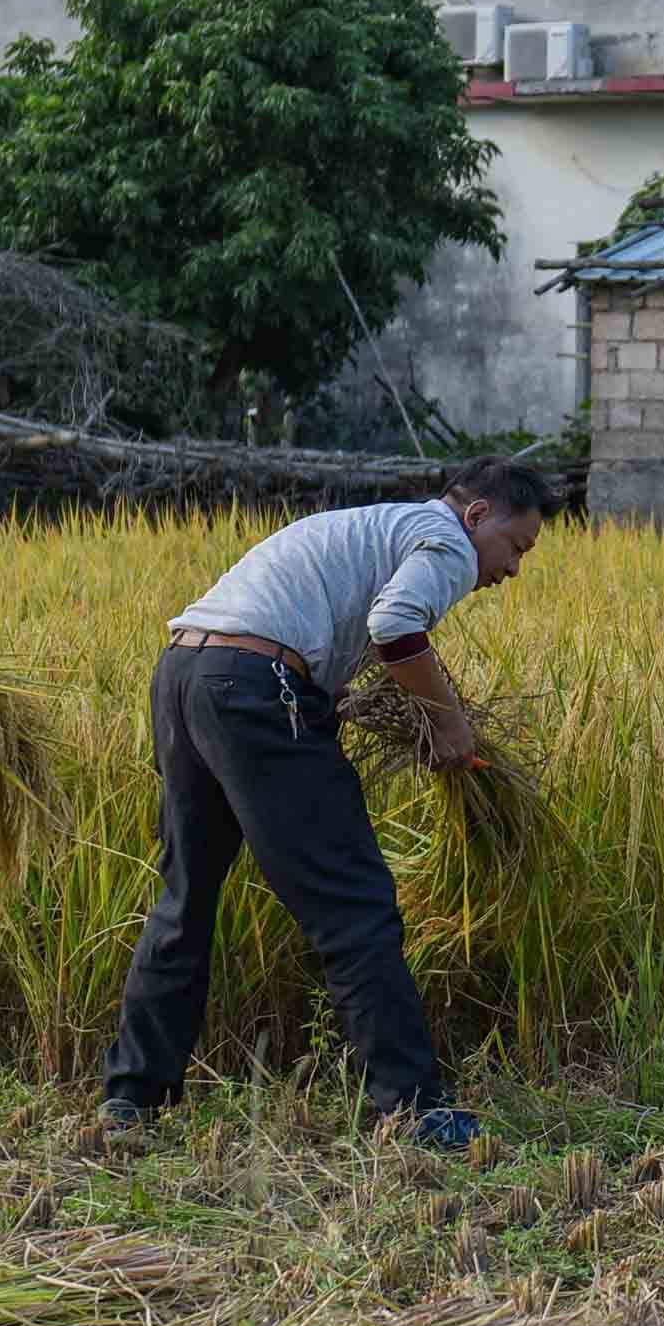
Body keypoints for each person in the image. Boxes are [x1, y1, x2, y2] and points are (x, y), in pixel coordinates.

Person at [98, 457, 554, 1149]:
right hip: (253, 688)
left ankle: (132, 1100)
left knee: (185, 899)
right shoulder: (444, 541)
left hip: (186, 674)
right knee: (356, 905)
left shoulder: (378, 526)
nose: (512, 569)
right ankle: (415, 1108)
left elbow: (337, 630)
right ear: (477, 515)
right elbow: (396, 626)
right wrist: (449, 719)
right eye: (516, 547)